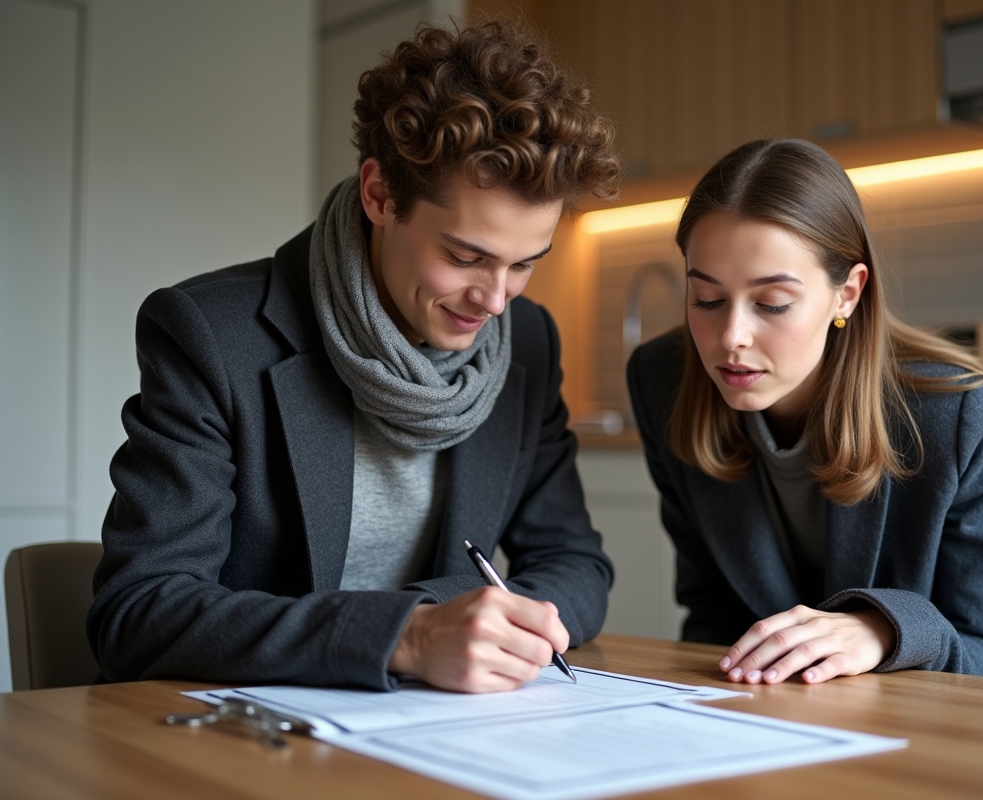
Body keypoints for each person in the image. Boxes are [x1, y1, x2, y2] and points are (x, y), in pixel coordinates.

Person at [87, 20, 619, 693]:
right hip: (237, 733)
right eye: (465, 257)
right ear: (380, 195)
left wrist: (453, 618)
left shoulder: (529, 342)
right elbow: (138, 612)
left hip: (425, 725)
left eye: (524, 264)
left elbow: (577, 566)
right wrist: (407, 633)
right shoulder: (211, 334)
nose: (494, 300)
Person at [626, 139, 983, 686]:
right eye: (707, 300)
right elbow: (711, 618)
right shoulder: (661, 382)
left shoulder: (957, 413)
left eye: (772, 303)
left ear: (847, 293)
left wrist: (884, 631)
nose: (731, 337)